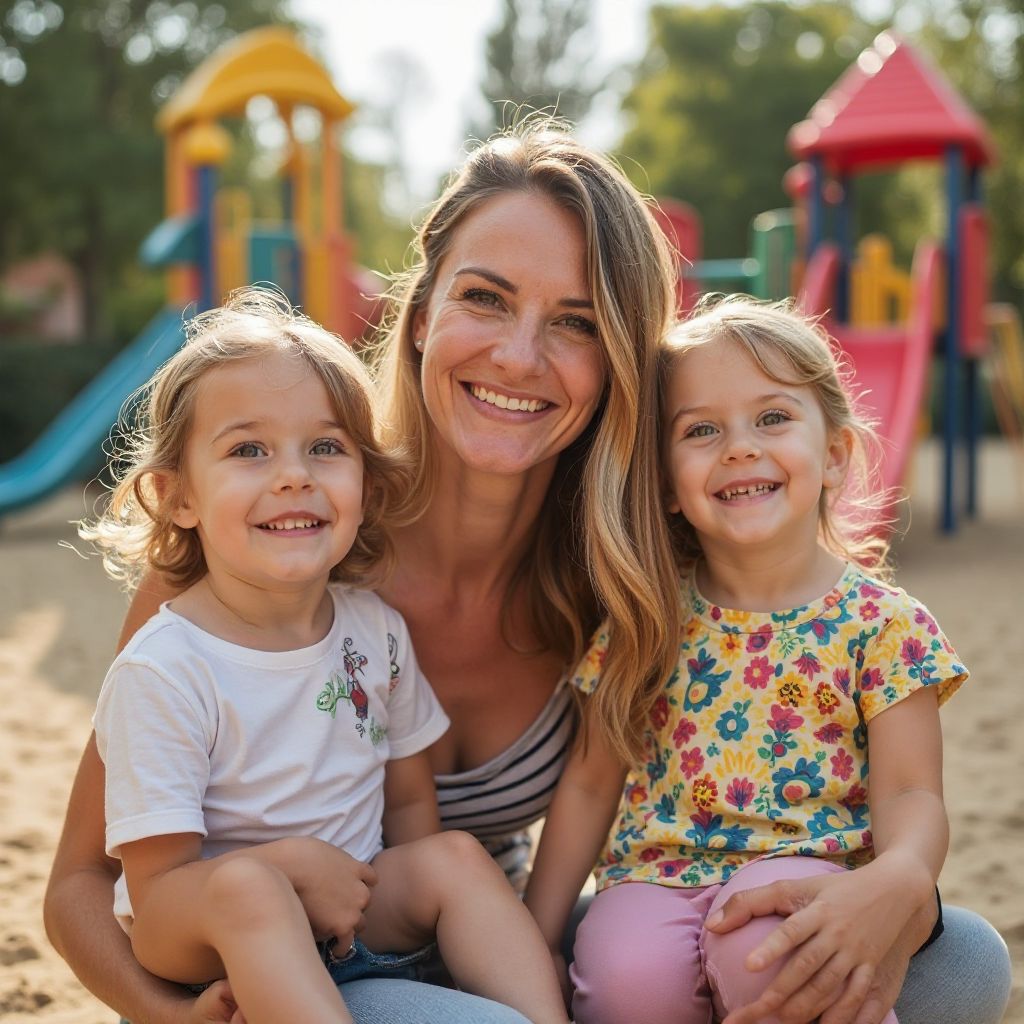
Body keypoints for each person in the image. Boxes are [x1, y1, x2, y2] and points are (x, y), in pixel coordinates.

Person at [45, 122, 1010, 1024]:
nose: (519, 355)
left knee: (962, 957)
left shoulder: (622, 576)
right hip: (301, 968)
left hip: (490, 936)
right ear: (421, 313)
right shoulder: (263, 553)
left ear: (619, 363)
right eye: (485, 297)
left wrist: (890, 893)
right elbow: (81, 890)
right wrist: (166, 1013)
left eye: (577, 323)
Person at [79, 288, 569, 1024]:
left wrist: (424, 917)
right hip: (216, 942)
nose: (293, 475)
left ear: (368, 489)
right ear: (178, 496)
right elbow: (157, 895)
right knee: (251, 892)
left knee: (456, 859)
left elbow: (407, 801)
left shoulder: (374, 631)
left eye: (326, 447)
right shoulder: (166, 668)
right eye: (249, 449)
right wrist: (287, 872)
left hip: (353, 916)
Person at [524, 296, 982, 1024]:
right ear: (667, 485)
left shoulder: (883, 627)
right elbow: (587, 787)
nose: (739, 447)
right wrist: (536, 937)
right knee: (625, 979)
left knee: (773, 953)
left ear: (834, 454)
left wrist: (897, 878)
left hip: (814, 873)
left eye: (772, 418)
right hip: (654, 877)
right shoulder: (646, 621)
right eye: (702, 430)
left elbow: (910, 796)